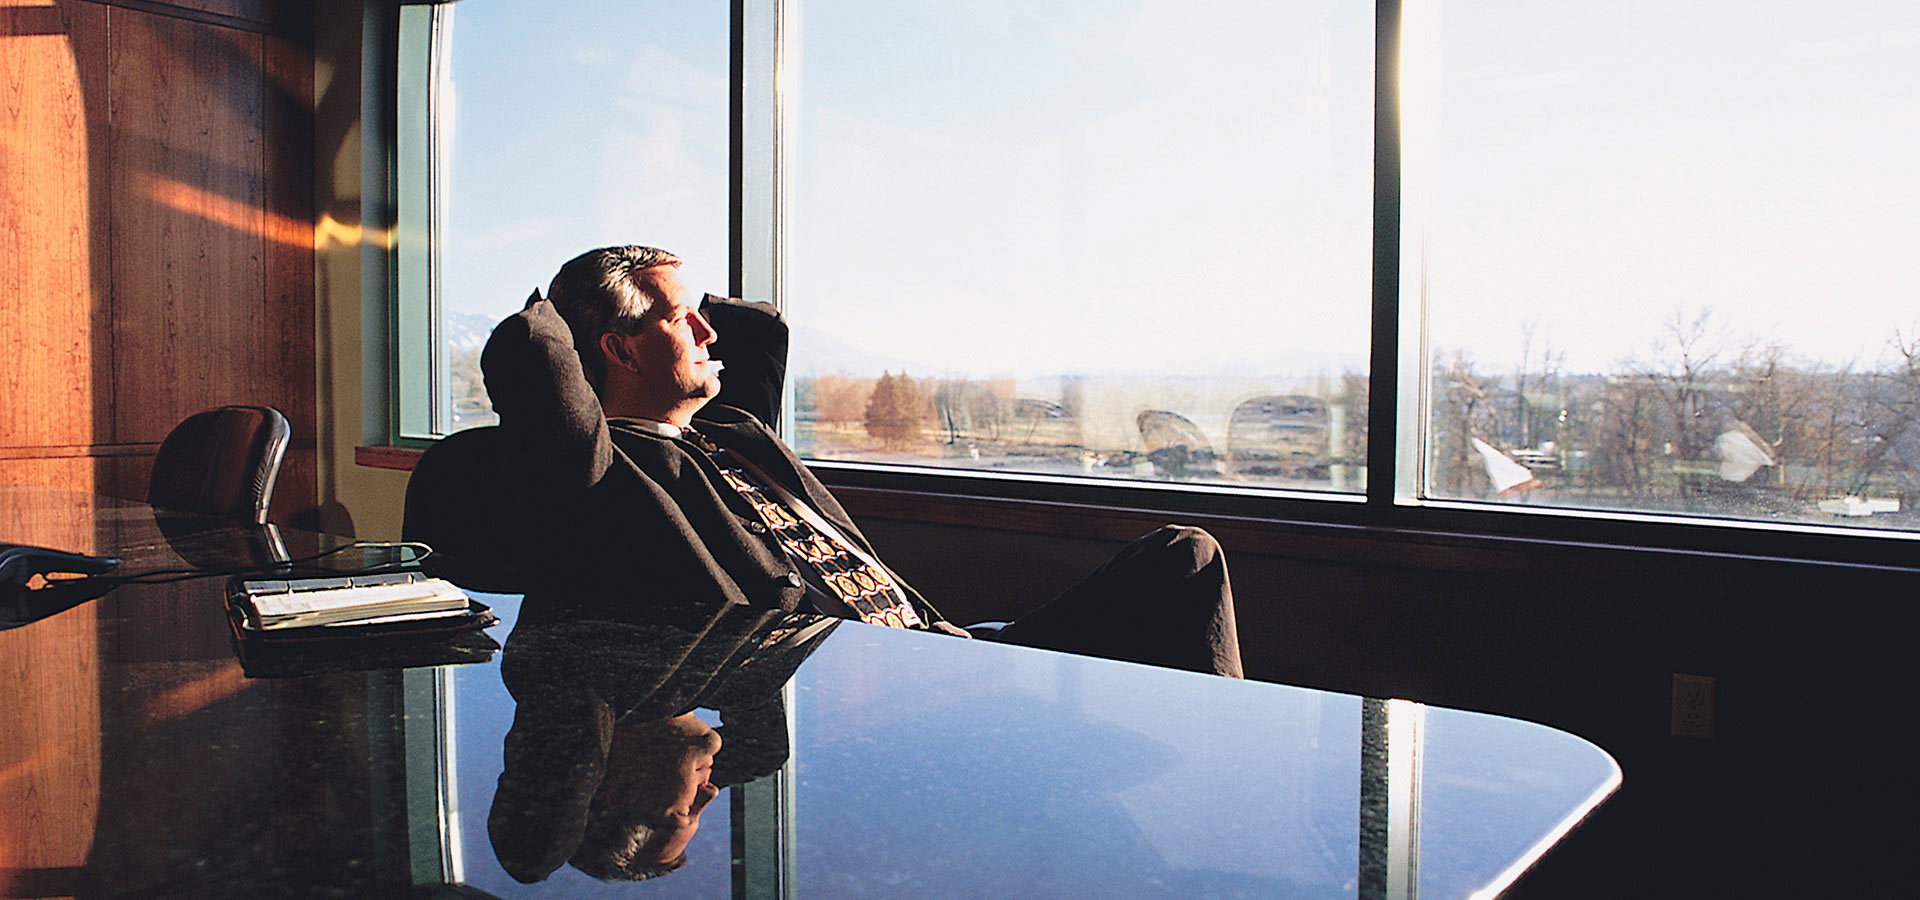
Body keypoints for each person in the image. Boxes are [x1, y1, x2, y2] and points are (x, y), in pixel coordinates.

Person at [475, 245, 1242, 677]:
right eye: (683, 319)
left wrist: (687, 318)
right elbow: (539, 363)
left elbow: (756, 334)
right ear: (617, 349)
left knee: (1184, 556)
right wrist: (550, 318)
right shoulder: (611, 475)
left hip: (947, 646)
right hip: (887, 687)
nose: (709, 333)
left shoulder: (736, 433)